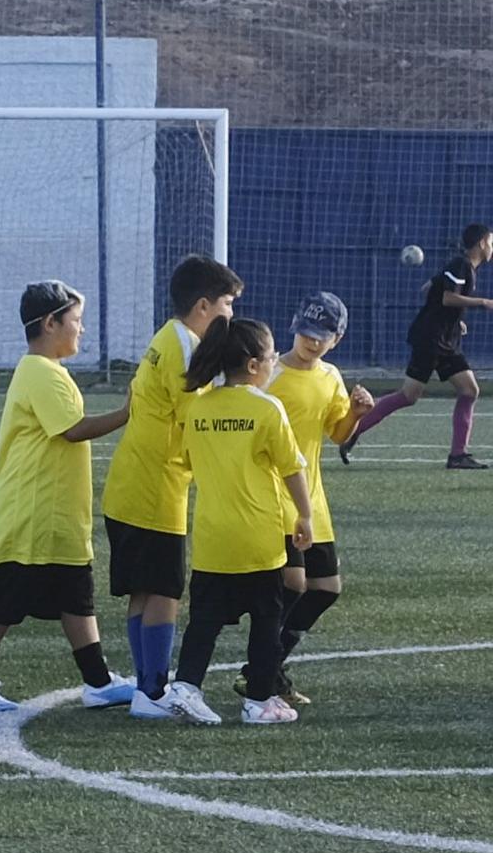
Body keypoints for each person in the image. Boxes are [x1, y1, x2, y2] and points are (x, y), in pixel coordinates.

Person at [0, 282, 137, 715]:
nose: (81, 331)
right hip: (35, 510)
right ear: (50, 323)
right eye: (75, 321)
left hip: (56, 511)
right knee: (7, 596)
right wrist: (128, 413)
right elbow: (72, 429)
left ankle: (98, 682)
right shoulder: (40, 371)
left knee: (75, 593)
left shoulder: (49, 371)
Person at [99, 254, 242, 715]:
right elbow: (195, 418)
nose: (231, 314)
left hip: (132, 482)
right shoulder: (184, 348)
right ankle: (154, 691)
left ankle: (147, 687)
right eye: (227, 303)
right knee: (164, 591)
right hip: (156, 488)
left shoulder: (167, 337)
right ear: (203, 306)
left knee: (144, 590)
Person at [156, 317, 314, 726]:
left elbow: (189, 460)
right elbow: (292, 468)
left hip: (211, 537)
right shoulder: (266, 408)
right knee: (266, 620)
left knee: (205, 619)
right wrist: (305, 515)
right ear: (253, 363)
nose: (275, 362)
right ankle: (258, 700)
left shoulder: (199, 407)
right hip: (257, 535)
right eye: (271, 355)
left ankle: (187, 686)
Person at [254, 292, 372, 704]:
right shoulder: (270, 375)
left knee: (326, 588)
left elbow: (337, 433)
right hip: (276, 498)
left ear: (337, 338)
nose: (312, 341)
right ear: (294, 325)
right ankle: (261, 677)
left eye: (322, 335)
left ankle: (266, 666)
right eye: (306, 332)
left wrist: (356, 413)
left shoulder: (330, 377)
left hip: (312, 501)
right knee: (294, 585)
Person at [341, 224, 493, 470]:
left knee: (469, 390)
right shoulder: (462, 265)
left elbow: (429, 288)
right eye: (492, 242)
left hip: (445, 340)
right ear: (482, 243)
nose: (492, 248)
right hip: (431, 340)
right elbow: (446, 298)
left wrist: (455, 320)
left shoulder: (463, 267)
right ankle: (353, 429)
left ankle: (458, 455)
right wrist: (483, 302)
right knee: (408, 396)